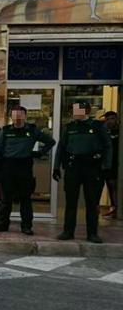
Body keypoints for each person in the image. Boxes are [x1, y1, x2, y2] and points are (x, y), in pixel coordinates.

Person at [53, 102, 113, 243]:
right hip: (73, 167)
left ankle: (92, 233)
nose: (74, 113)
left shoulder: (97, 126)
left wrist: (106, 167)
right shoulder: (69, 128)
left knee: (92, 202)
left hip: (92, 167)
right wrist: (56, 167)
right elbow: (61, 148)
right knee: (71, 201)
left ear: (86, 111)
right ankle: (68, 231)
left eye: (77, 110)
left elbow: (108, 146)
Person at [0, 105, 56, 235]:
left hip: (24, 167)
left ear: (25, 116)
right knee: (6, 199)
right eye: (15, 115)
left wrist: (39, 153)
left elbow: (51, 141)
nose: (17, 118)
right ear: (11, 117)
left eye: (20, 115)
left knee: (25, 199)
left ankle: (26, 226)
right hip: (8, 166)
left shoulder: (32, 130)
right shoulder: (6, 131)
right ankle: (2, 224)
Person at [101, 111, 119, 218]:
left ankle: (116, 209)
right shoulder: (104, 132)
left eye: (112, 118)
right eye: (107, 119)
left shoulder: (119, 131)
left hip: (117, 162)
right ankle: (114, 208)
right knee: (110, 185)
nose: (110, 121)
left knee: (115, 186)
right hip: (107, 163)